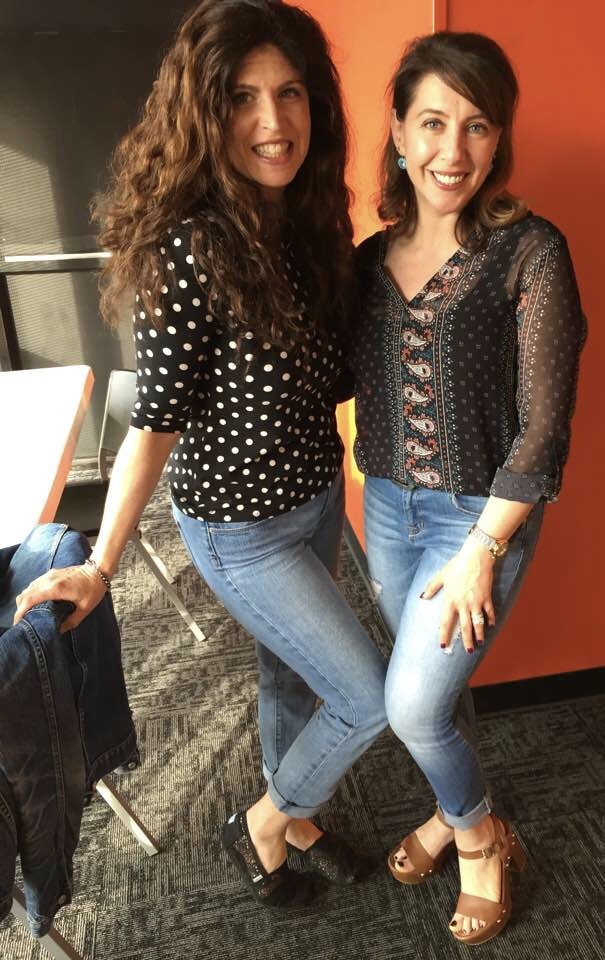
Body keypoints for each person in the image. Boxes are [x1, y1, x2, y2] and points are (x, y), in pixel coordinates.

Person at [14, 0, 388, 910]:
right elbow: (155, 424)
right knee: (368, 695)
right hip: (238, 527)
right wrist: (102, 563)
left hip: (311, 493)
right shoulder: (189, 249)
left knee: (289, 673)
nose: (273, 121)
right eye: (243, 99)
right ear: (203, 115)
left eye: (289, 93)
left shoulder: (304, 222)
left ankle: (297, 820)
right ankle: (264, 822)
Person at [352, 31, 586, 945]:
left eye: (477, 125)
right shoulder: (366, 261)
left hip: (479, 520)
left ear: (498, 139)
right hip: (385, 508)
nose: (453, 150)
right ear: (398, 132)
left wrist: (485, 549)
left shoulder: (530, 252)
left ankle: (481, 838)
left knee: (411, 704)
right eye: (432, 123)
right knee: (437, 697)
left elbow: (544, 426)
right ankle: (448, 814)